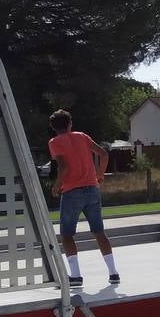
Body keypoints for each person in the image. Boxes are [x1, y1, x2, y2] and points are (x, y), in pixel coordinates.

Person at [47, 109, 119, 287]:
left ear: (53, 127)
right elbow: (103, 154)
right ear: (70, 123)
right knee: (98, 232)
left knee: (67, 234)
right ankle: (113, 272)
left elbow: (63, 167)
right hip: (92, 188)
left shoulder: (54, 142)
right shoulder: (82, 136)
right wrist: (100, 175)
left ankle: (76, 276)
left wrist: (57, 185)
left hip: (72, 192)